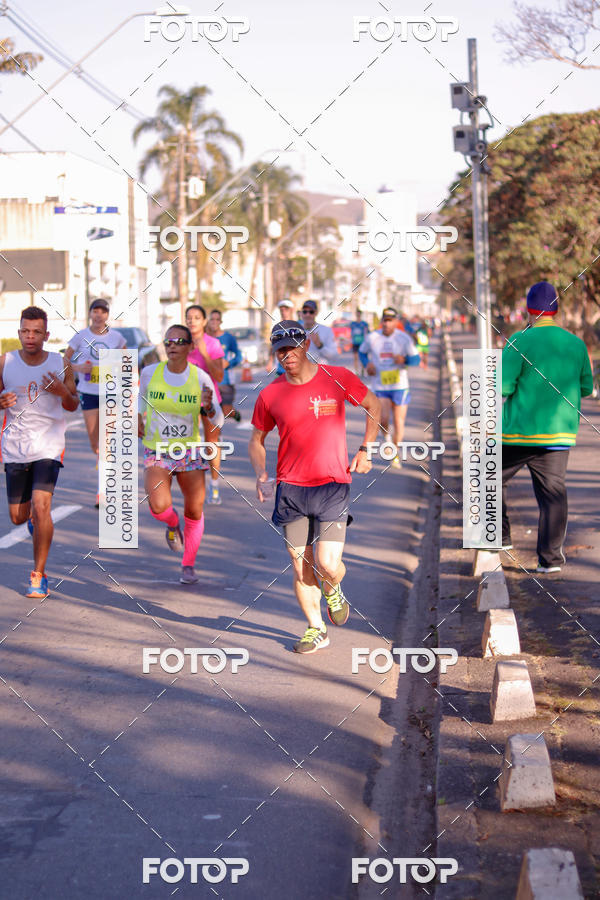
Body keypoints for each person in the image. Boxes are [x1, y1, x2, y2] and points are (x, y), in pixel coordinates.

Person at [249, 320, 381, 654]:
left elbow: (374, 406)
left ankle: (333, 589)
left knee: (327, 565)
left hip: (332, 485)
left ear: (306, 345)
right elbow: (257, 438)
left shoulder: (336, 377)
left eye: (292, 347)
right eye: (280, 349)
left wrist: (366, 449)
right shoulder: (270, 394)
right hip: (291, 489)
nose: (287, 354)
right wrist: (260, 471)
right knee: (299, 564)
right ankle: (315, 628)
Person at [502, 281, 593, 573]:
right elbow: (587, 387)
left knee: (488, 480)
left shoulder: (520, 340)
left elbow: (502, 385)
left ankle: (500, 538)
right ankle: (550, 560)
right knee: (553, 495)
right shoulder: (576, 343)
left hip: (516, 435)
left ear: (529, 309)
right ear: (556, 309)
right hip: (559, 435)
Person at [0, 306, 79, 597]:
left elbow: (73, 404)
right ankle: (33, 521)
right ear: (18, 332)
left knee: (41, 505)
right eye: (25, 331)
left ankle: (39, 575)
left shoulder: (60, 362)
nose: (29, 337)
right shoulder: (4, 362)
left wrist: (62, 392)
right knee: (18, 517)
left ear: (46, 335)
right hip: (15, 448)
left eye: (36, 332)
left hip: (48, 445)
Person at [138, 324, 224, 584]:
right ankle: (172, 524)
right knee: (158, 504)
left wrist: (208, 409)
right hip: (158, 448)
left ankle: (188, 564)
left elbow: (218, 417)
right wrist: (137, 420)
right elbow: (140, 401)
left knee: (195, 509)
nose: (171, 345)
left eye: (178, 341)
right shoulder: (149, 372)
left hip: (189, 450)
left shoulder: (200, 378)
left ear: (190, 347)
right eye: (168, 341)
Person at [64, 298, 126, 506]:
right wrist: (79, 369)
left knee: (106, 440)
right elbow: (65, 360)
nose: (99, 315)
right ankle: (104, 462)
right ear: (90, 313)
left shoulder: (117, 337)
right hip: (88, 391)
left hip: (110, 391)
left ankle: (103, 491)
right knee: (95, 442)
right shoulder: (81, 336)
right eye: (95, 311)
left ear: (108, 315)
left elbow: (126, 361)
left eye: (103, 311)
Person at [358, 307, 420, 468]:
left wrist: (404, 360)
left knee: (399, 422)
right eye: (384, 320)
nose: (387, 323)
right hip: (380, 384)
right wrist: (367, 364)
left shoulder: (404, 338)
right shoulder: (372, 338)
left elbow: (416, 359)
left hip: (400, 385)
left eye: (390, 320)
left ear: (396, 322)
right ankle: (387, 439)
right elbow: (362, 353)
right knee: (383, 418)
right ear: (381, 321)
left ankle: (395, 453)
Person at [185, 304, 225, 505]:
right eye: (189, 318)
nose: (192, 321)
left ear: (204, 321)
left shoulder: (213, 343)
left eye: (196, 317)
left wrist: (204, 354)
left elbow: (219, 375)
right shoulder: (181, 343)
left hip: (210, 399)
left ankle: (214, 485)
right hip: (186, 401)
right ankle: (193, 487)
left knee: (211, 443)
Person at [206, 309, 242, 421]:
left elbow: (238, 356)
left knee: (226, 411)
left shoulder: (228, 338)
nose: (214, 322)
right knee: (213, 415)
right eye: (212, 319)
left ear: (220, 321)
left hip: (225, 381)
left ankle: (234, 414)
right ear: (208, 321)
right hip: (209, 381)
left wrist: (229, 363)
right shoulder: (205, 338)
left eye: (217, 319)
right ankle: (217, 437)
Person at [299, 299, 339, 365]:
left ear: (316, 312)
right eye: (305, 312)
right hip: (301, 372)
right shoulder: (296, 331)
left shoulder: (326, 330)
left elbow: (334, 356)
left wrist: (320, 345)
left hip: (320, 371)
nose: (308, 315)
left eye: (311, 312)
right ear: (301, 313)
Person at [350, 309, 369, 374]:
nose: (358, 315)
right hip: (355, 343)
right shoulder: (353, 324)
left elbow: (367, 332)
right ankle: (356, 371)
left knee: (362, 357)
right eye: (357, 314)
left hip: (362, 343)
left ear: (360, 315)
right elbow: (351, 333)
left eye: (359, 314)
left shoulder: (364, 324)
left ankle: (362, 370)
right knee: (355, 358)